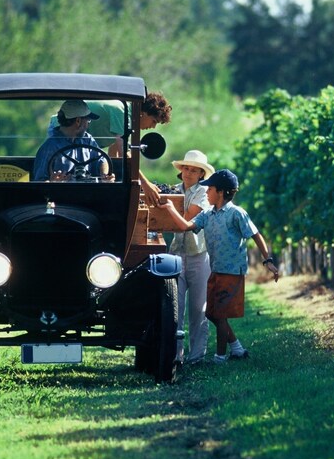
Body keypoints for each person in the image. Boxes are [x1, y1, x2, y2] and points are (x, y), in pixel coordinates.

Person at [159, 169, 279, 364]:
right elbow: (185, 227)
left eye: (210, 189)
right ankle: (237, 349)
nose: (206, 192)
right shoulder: (208, 214)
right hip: (216, 270)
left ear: (221, 192)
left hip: (231, 271)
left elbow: (255, 235)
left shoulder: (236, 213)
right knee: (212, 313)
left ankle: (220, 357)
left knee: (219, 314)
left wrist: (268, 261)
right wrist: (170, 209)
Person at [47, 93, 172, 204]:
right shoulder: (122, 113)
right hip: (64, 129)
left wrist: (113, 180)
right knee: (66, 174)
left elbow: (114, 153)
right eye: (154, 121)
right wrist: (145, 183)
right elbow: (124, 152)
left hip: (83, 140)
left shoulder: (126, 119)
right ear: (144, 113)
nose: (153, 127)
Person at [168, 150, 215, 365]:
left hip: (198, 255)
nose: (188, 172)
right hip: (177, 252)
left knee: (198, 308)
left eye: (194, 170)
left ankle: (196, 356)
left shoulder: (203, 194)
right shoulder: (174, 191)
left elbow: (187, 219)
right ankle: (174, 355)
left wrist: (167, 209)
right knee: (174, 307)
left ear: (201, 174)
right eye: (186, 168)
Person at [33, 100, 102, 181]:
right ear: (78, 121)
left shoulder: (87, 139)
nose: (88, 124)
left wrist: (105, 175)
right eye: (88, 120)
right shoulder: (49, 147)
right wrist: (53, 182)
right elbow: (39, 182)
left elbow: (102, 159)